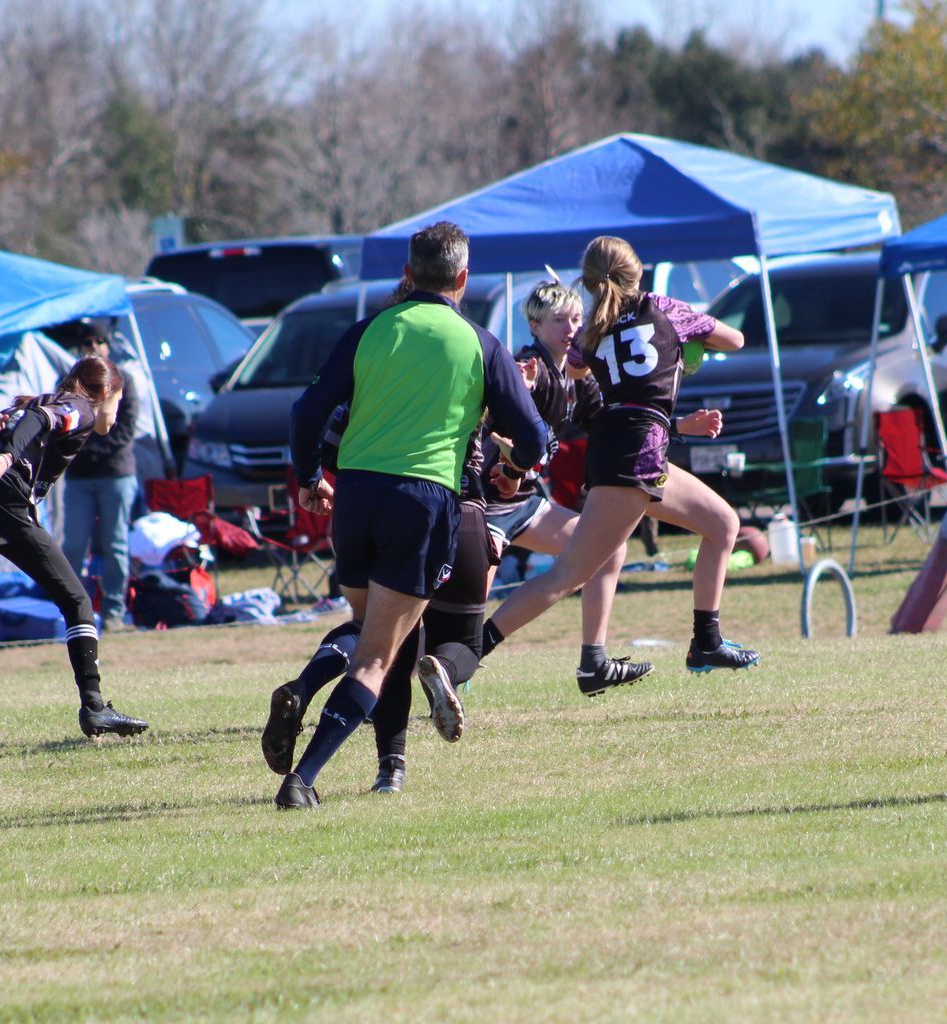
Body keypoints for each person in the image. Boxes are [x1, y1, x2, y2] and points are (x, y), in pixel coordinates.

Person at [264, 221, 550, 809]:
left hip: (357, 497)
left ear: (407, 274)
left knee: (373, 636)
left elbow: (305, 411)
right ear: (463, 279)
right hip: (423, 502)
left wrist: (310, 476)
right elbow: (535, 437)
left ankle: (309, 689)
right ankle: (304, 779)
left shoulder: (368, 331)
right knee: (379, 652)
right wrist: (514, 470)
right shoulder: (478, 342)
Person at [478, 236, 755, 675]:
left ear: (590, 283)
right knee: (568, 574)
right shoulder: (661, 306)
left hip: (631, 447)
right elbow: (735, 340)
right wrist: (692, 340)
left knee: (723, 524)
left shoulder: (592, 329)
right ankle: (466, 653)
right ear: (637, 272)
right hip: (633, 455)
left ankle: (705, 642)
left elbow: (576, 368)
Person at [0, 356, 148, 772]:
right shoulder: (80, 407)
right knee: (76, 602)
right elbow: (44, 419)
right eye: (118, 402)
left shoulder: (32, 403)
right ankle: (94, 707)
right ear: (107, 392)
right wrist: (11, 457)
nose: (116, 413)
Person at [497, 280, 649, 696]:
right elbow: (509, 390)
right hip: (485, 502)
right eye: (559, 320)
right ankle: (397, 679)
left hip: (524, 503)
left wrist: (675, 427)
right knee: (450, 606)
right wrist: (519, 386)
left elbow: (608, 421)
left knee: (607, 548)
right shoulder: (529, 364)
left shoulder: (576, 375)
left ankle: (593, 661)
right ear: (534, 325)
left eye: (576, 319)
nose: (571, 327)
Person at [57, 323, 140, 631]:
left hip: (115, 474)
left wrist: (86, 448)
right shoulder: (67, 383)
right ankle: (75, 614)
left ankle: (115, 613)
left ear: (108, 345)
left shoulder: (122, 380)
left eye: (98, 341)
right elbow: (60, 426)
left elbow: (126, 430)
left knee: (114, 544)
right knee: (74, 546)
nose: (92, 347)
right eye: (86, 342)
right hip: (78, 478)